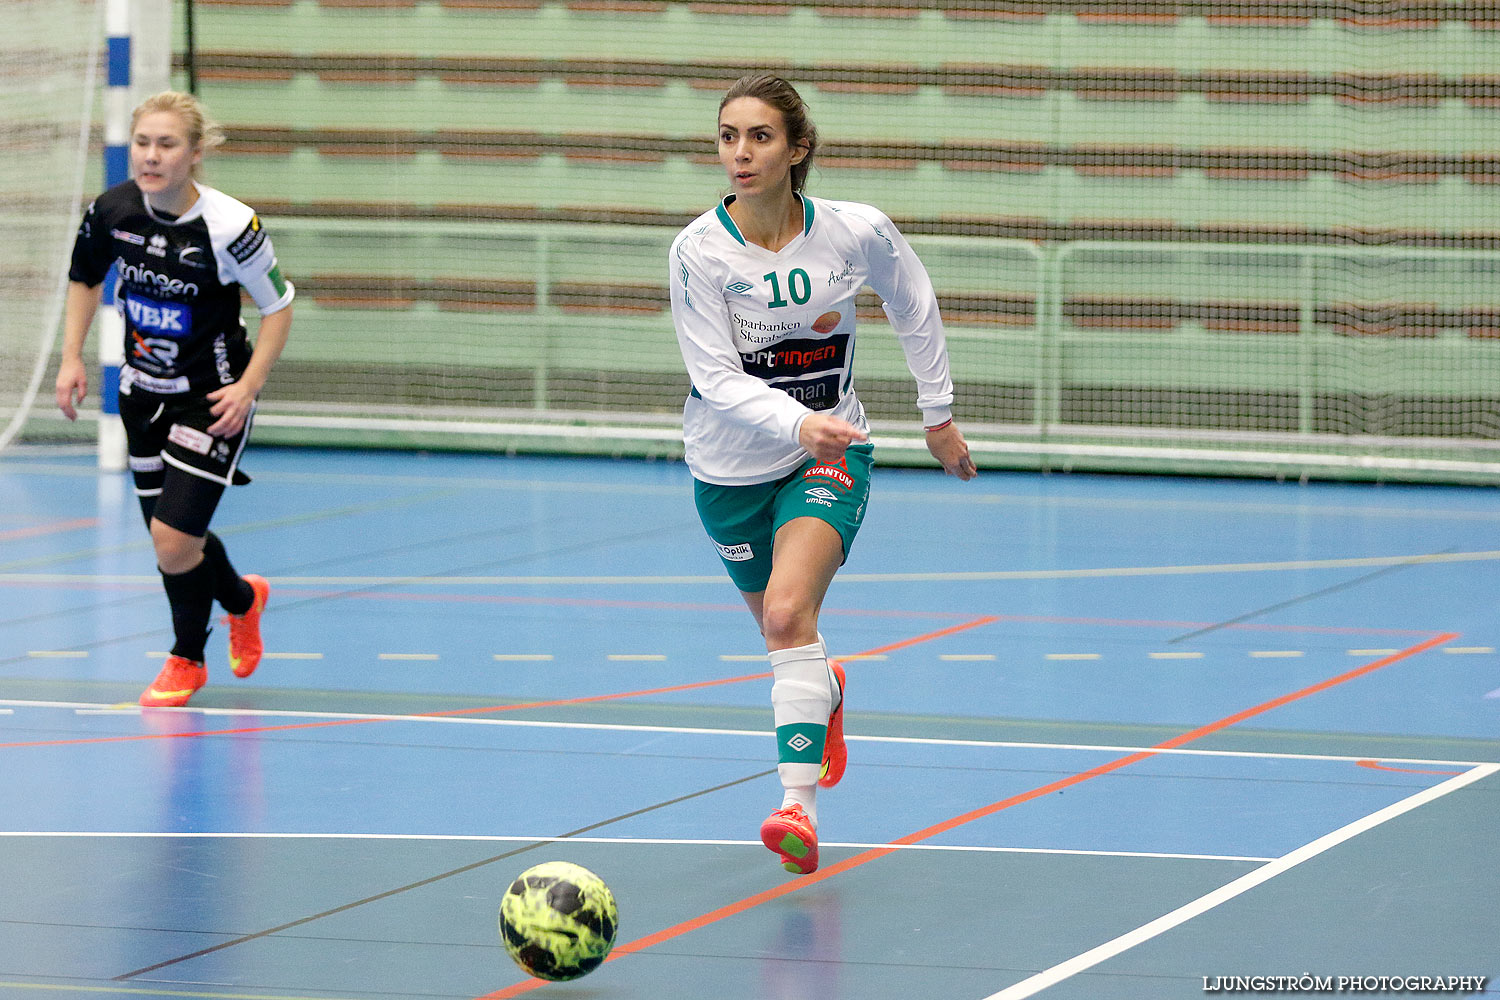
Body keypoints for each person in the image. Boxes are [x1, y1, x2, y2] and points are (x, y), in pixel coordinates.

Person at [668, 74, 977, 876]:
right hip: (728, 472)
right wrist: (796, 418)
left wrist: (936, 415)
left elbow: (914, 304)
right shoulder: (699, 251)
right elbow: (715, 378)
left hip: (829, 456)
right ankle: (826, 692)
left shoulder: (854, 233)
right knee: (785, 639)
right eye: (729, 136)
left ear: (797, 149)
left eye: (760, 136)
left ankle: (795, 810)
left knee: (783, 616)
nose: (740, 152)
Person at [55, 91, 294, 708]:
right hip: (143, 395)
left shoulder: (232, 226)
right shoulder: (111, 212)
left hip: (212, 399)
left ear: (195, 154)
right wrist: (70, 357)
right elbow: (84, 277)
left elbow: (278, 306)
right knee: (177, 543)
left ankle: (186, 659)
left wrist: (247, 388)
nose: (151, 156)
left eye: (167, 144)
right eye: (142, 143)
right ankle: (244, 599)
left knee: (170, 539)